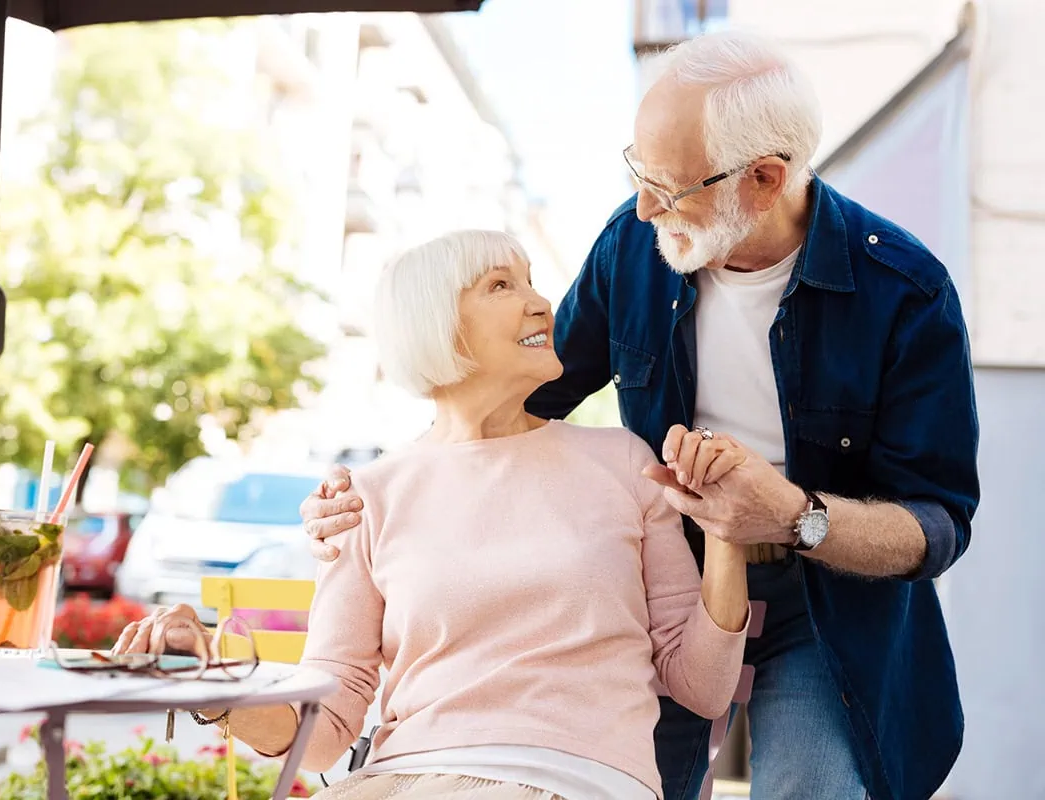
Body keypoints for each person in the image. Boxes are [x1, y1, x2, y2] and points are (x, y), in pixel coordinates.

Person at [301, 31, 980, 800]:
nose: (644, 204)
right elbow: (511, 400)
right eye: (639, 171)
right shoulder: (636, 244)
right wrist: (384, 504)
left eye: (671, 185)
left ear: (764, 179)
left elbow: (935, 524)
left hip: (830, 598)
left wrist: (790, 516)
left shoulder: (907, 293)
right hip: (660, 579)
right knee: (624, 775)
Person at [114, 229, 753, 800]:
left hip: (575, 779)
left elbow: (701, 687)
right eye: (501, 286)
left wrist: (726, 530)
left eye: (532, 281)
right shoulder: (366, 495)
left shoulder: (623, 463)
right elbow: (326, 732)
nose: (539, 302)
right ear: (439, 324)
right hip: (403, 777)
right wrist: (212, 679)